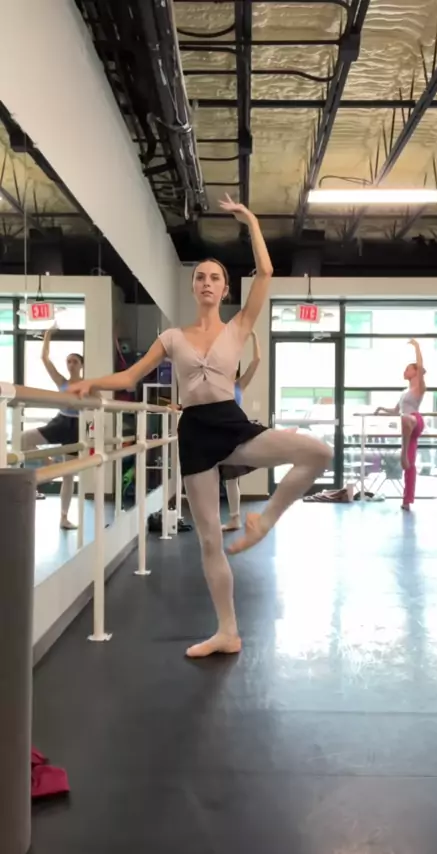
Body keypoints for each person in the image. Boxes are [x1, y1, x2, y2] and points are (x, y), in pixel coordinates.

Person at [70, 194, 332, 658]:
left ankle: (265, 521)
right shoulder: (172, 337)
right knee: (210, 539)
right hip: (194, 432)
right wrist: (91, 382)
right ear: (193, 289)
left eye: (214, 278)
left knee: (318, 452)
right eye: (200, 277)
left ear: (225, 289)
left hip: (231, 424)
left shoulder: (238, 327)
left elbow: (266, 272)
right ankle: (227, 631)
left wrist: (251, 220)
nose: (207, 283)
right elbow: (130, 378)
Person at [21, 324, 83, 529]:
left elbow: (99, 402)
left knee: (69, 474)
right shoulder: (61, 381)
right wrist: (48, 335)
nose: (71, 364)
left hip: (75, 427)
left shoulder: (87, 384)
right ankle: (48, 462)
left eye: (75, 361)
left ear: (81, 365)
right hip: (60, 421)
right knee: (25, 438)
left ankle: (64, 518)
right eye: (68, 361)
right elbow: (45, 358)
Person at [374, 338, 426, 511]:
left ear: (416, 372)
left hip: (415, 421)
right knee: (410, 465)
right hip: (406, 426)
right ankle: (407, 501)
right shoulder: (404, 392)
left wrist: (416, 347)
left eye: (408, 369)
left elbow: (420, 365)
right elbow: (396, 411)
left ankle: (403, 453)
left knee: (405, 419)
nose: (405, 371)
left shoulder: (419, 388)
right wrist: (381, 409)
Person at [222, 329, 261, 532]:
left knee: (231, 478)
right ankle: (226, 519)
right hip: (216, 433)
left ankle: (234, 519)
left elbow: (256, 361)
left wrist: (253, 337)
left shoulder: (239, 385)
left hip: (233, 434)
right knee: (208, 478)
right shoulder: (215, 385)